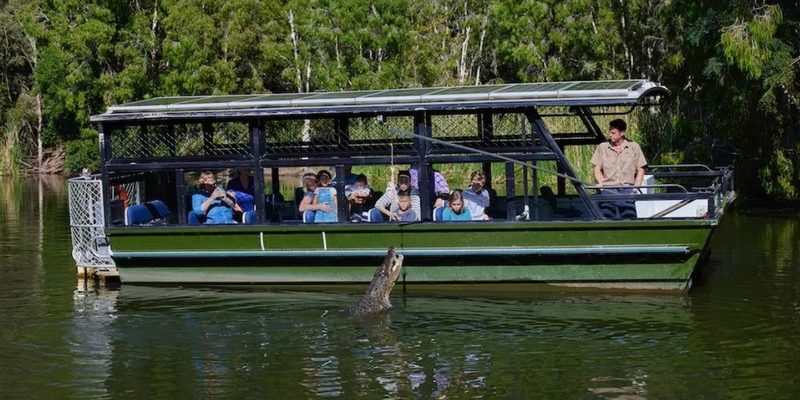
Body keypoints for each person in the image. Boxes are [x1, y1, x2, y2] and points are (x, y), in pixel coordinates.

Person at [590, 119, 647, 219]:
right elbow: (596, 168)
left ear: (622, 133)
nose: (610, 135)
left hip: (627, 190)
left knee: (629, 217)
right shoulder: (602, 147)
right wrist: (600, 185)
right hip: (608, 190)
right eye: (609, 132)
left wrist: (635, 188)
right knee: (605, 218)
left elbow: (641, 169)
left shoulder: (634, 147)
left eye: (613, 133)